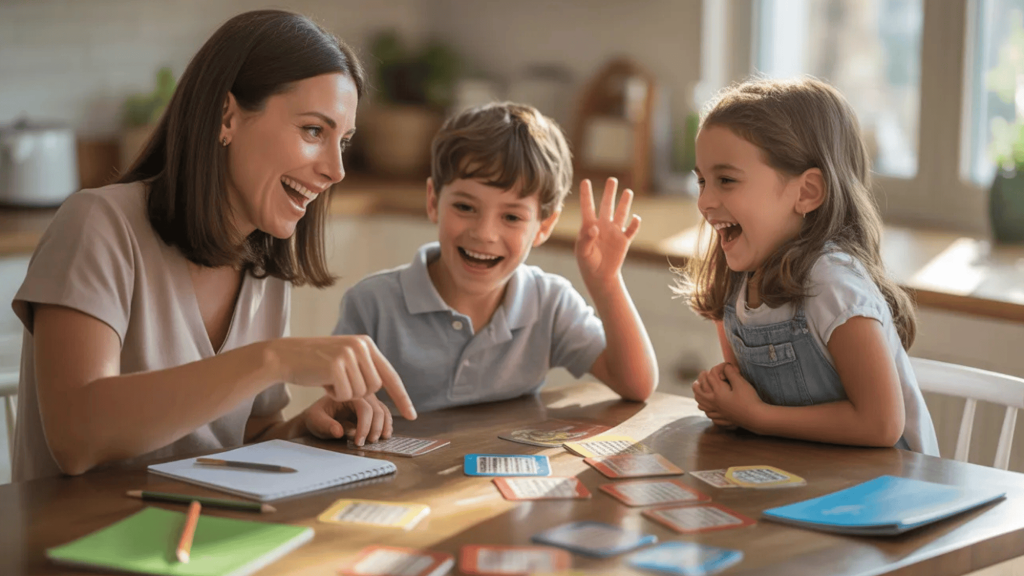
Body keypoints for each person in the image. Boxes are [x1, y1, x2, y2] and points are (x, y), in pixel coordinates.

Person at [10, 10, 415, 482]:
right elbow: (76, 437)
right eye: (313, 131)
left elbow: (242, 440)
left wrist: (302, 429)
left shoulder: (265, 262)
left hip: (201, 537)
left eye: (342, 141)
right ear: (227, 116)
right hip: (68, 546)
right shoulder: (98, 225)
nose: (336, 170)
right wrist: (273, 360)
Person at [333, 102, 658, 413]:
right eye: (465, 207)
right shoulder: (371, 306)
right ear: (433, 201)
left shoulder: (550, 304)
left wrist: (606, 283)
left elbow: (637, 385)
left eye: (512, 217)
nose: (485, 233)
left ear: (544, 226)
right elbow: (339, 411)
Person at [680, 77, 939, 455]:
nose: (704, 201)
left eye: (726, 180)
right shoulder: (736, 282)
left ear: (807, 192)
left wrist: (758, 416)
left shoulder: (832, 283)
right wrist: (729, 403)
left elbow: (881, 424)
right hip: (808, 479)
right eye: (702, 181)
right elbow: (750, 403)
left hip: (891, 492)